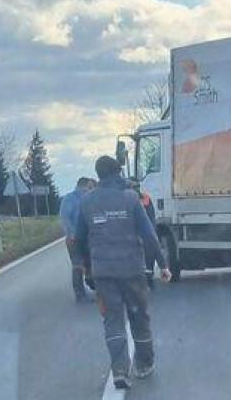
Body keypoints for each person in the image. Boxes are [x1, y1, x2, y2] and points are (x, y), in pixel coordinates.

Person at [75, 156, 171, 389]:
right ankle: (144, 364)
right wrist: (163, 264)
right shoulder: (131, 198)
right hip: (132, 271)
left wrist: (86, 269)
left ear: (98, 175)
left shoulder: (87, 202)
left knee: (113, 320)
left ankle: (120, 370)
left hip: (104, 273)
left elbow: (79, 240)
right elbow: (149, 235)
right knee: (139, 317)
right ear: (118, 172)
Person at [58, 177, 96, 302]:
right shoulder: (70, 199)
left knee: (89, 262)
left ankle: (91, 284)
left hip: (87, 238)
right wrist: (71, 234)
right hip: (74, 238)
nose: (91, 189)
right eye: (89, 187)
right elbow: (65, 218)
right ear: (83, 186)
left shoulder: (88, 199)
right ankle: (80, 294)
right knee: (77, 265)